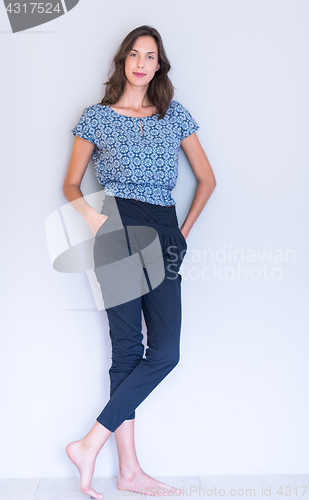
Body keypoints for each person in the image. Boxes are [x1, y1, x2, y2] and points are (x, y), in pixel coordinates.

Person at [62, 25, 216, 499]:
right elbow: (69, 185)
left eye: (151, 55)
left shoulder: (174, 116)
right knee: (127, 351)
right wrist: (93, 218)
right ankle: (128, 470)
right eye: (134, 54)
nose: (142, 62)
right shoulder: (97, 118)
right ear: (123, 61)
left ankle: (89, 443)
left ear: (159, 64)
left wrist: (182, 234)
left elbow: (208, 180)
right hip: (116, 226)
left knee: (165, 352)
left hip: (164, 228)